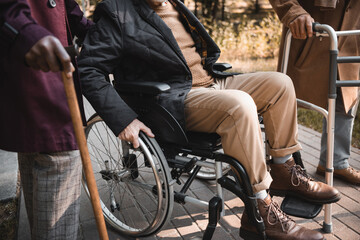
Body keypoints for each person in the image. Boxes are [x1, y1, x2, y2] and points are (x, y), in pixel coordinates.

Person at [78, 0, 340, 239]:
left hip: (212, 81)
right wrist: (124, 120)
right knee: (239, 105)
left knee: (280, 84)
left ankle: (283, 170)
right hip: (174, 98)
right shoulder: (117, 12)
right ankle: (259, 205)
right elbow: (89, 69)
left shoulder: (173, 5)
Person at [0, 0, 93, 239]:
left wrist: (96, 29)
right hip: (38, 84)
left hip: (41, 96)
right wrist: (22, 31)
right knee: (59, 157)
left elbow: (67, 8)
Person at [269, 0, 360, 185]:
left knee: (345, 97)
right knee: (285, 101)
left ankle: (337, 162)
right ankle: (281, 165)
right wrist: (292, 11)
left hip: (351, 34)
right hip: (311, 32)